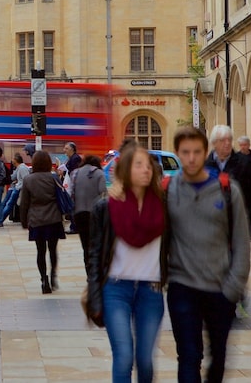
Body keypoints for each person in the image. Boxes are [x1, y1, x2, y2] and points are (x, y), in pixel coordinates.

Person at [168, 126, 251, 383]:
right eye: (185, 152)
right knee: (189, 356)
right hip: (182, 286)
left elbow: (241, 241)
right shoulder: (167, 191)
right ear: (177, 154)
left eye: (196, 152)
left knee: (218, 356)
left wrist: (234, 286)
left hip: (219, 287)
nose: (191, 158)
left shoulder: (228, 190)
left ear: (206, 153)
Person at [86, 143, 167, 382]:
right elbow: (94, 254)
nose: (146, 170)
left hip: (150, 290)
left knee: (144, 360)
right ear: (125, 171)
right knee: (123, 356)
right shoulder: (107, 206)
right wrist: (94, 295)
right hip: (116, 289)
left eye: (148, 165)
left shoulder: (163, 205)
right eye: (138, 165)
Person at [20, 150, 66, 294]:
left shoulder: (28, 180)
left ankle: (43, 279)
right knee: (53, 250)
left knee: (40, 251)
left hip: (36, 219)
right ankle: (53, 275)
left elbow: (24, 204)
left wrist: (24, 221)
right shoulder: (54, 178)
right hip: (53, 218)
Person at [71, 155, 105, 277]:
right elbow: (103, 192)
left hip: (79, 214)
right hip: (95, 214)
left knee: (85, 245)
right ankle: (96, 270)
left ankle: (88, 272)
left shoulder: (75, 173)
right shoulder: (99, 173)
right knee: (96, 244)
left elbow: (71, 192)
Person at [0, 152, 30, 223]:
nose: (11, 161)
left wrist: (18, 184)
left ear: (16, 161)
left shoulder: (22, 168)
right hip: (17, 188)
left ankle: (0, 219)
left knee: (9, 204)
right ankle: (0, 219)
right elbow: (13, 177)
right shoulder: (18, 168)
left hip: (19, 189)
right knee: (9, 203)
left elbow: (26, 179)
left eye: (13, 159)